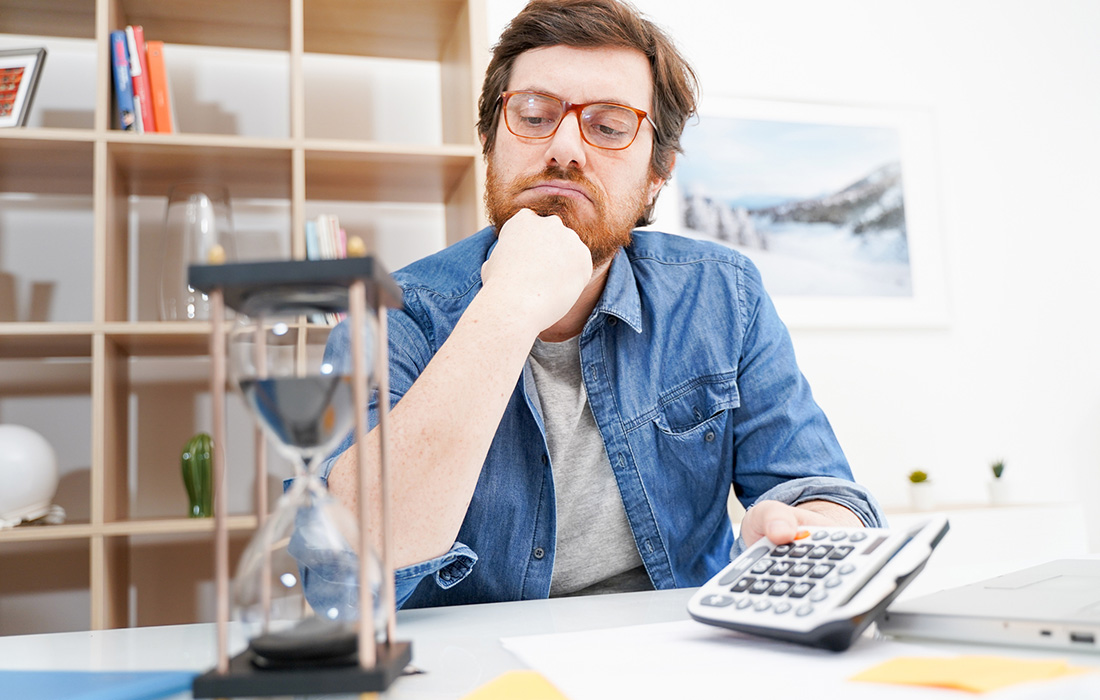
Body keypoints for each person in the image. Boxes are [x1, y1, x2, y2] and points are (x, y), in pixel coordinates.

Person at [308, 0, 884, 611]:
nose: (564, 149)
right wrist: (509, 303)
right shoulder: (390, 314)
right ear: (489, 141)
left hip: (675, 645)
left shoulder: (724, 294)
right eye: (534, 115)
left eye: (608, 127)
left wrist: (810, 527)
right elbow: (350, 564)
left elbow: (824, 491)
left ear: (657, 175)